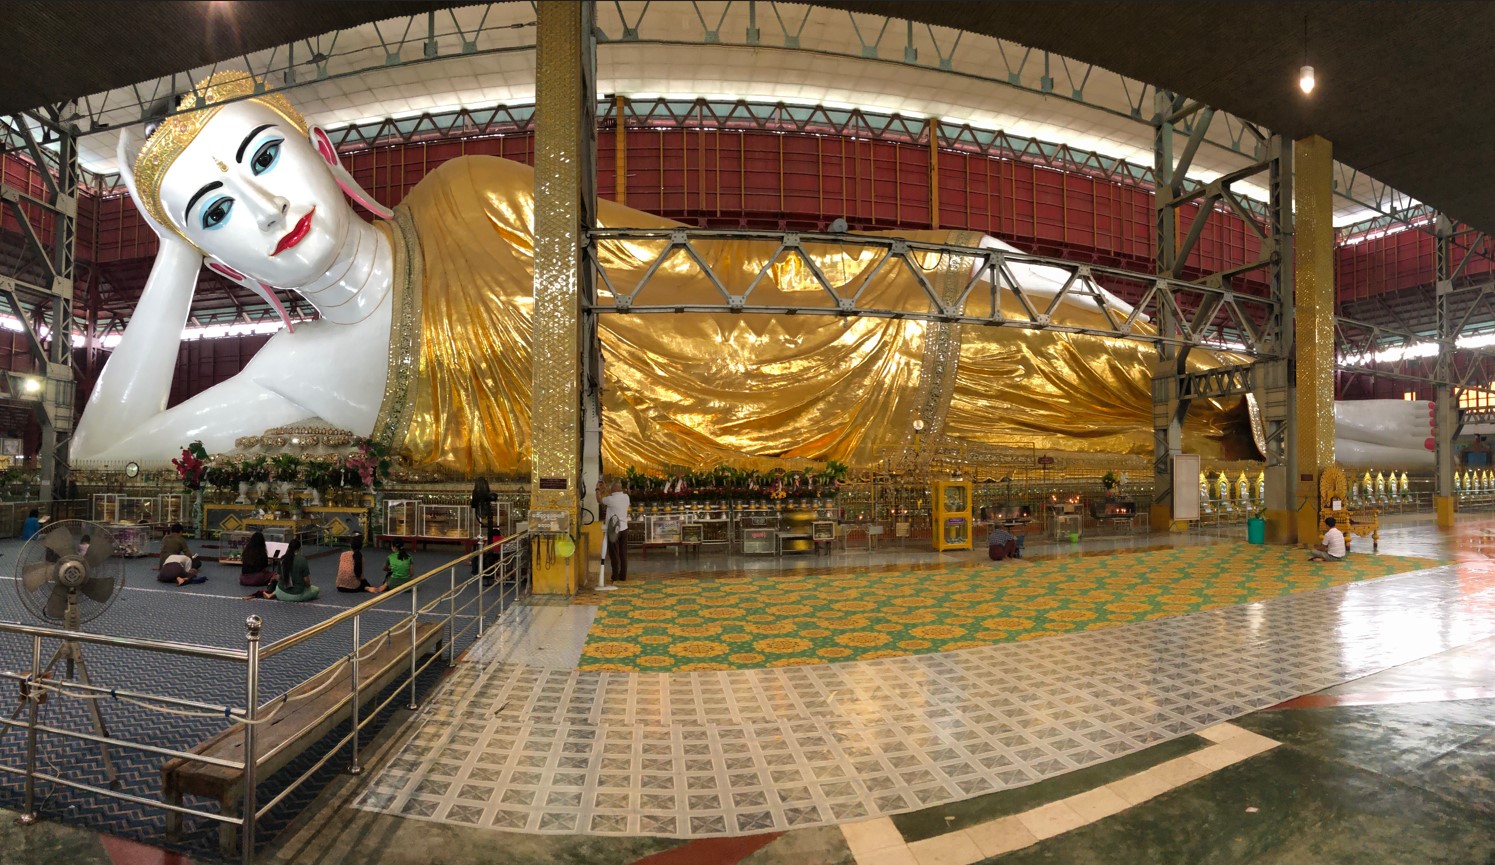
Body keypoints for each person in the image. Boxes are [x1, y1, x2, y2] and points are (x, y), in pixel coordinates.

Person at [68, 71, 1442, 477]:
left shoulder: (461, 197)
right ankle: (1300, 426)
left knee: (985, 282)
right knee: (1007, 402)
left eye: (259, 159)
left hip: (782, 314)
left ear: (313, 144)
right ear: (219, 254)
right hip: (805, 422)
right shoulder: (294, 372)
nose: (263, 208)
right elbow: (105, 452)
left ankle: (1278, 412)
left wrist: (772, 306)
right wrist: (170, 266)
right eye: (216, 213)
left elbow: (659, 257)